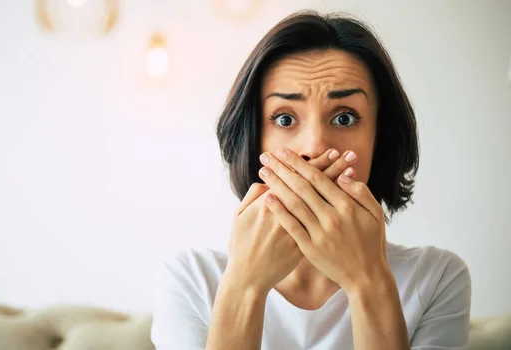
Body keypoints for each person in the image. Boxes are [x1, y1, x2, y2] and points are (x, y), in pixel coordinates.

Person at [151, 10, 471, 350]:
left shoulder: (438, 278)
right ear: (253, 139)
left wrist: (367, 281)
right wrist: (244, 286)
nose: (315, 146)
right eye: (285, 118)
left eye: (345, 118)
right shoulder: (190, 279)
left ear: (381, 140)